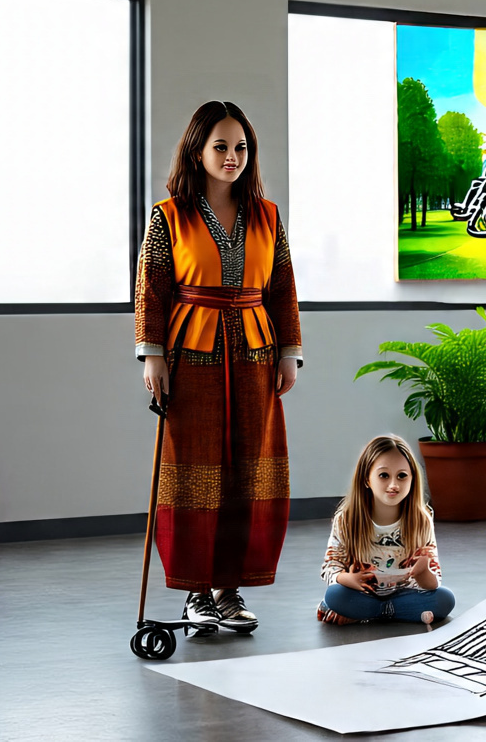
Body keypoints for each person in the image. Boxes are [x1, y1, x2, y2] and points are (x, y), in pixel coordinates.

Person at [134, 100, 302, 634]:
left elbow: (283, 289)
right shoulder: (169, 216)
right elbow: (152, 290)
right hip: (192, 355)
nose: (232, 157)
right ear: (197, 150)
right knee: (194, 472)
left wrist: (289, 351)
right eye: (221, 147)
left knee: (247, 469)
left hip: (255, 354)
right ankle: (196, 593)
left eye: (241, 148)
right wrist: (152, 356)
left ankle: (231, 591)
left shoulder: (268, 215)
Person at [316, 435, 456, 625]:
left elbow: (434, 583)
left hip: (405, 594)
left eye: (402, 476)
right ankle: (394, 613)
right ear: (367, 479)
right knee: (335, 595)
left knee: (445, 599)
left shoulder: (421, 519)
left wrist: (423, 573)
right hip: (362, 594)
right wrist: (349, 579)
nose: (393, 485)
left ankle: (374, 613)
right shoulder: (347, 519)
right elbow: (330, 568)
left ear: (412, 479)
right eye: (384, 475)